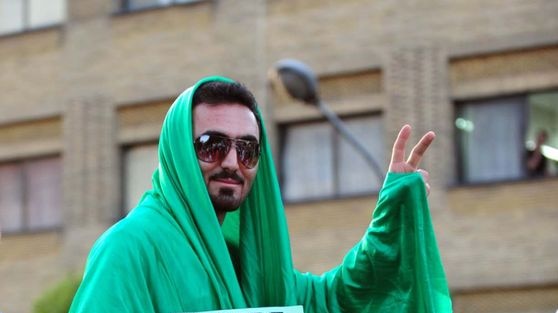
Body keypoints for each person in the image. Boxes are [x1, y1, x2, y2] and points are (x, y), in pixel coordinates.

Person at [69, 76, 452, 312]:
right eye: (211, 144)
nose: (233, 162)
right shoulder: (127, 249)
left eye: (248, 149)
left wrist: (391, 217)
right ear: (179, 154)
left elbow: (338, 300)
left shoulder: (250, 263)